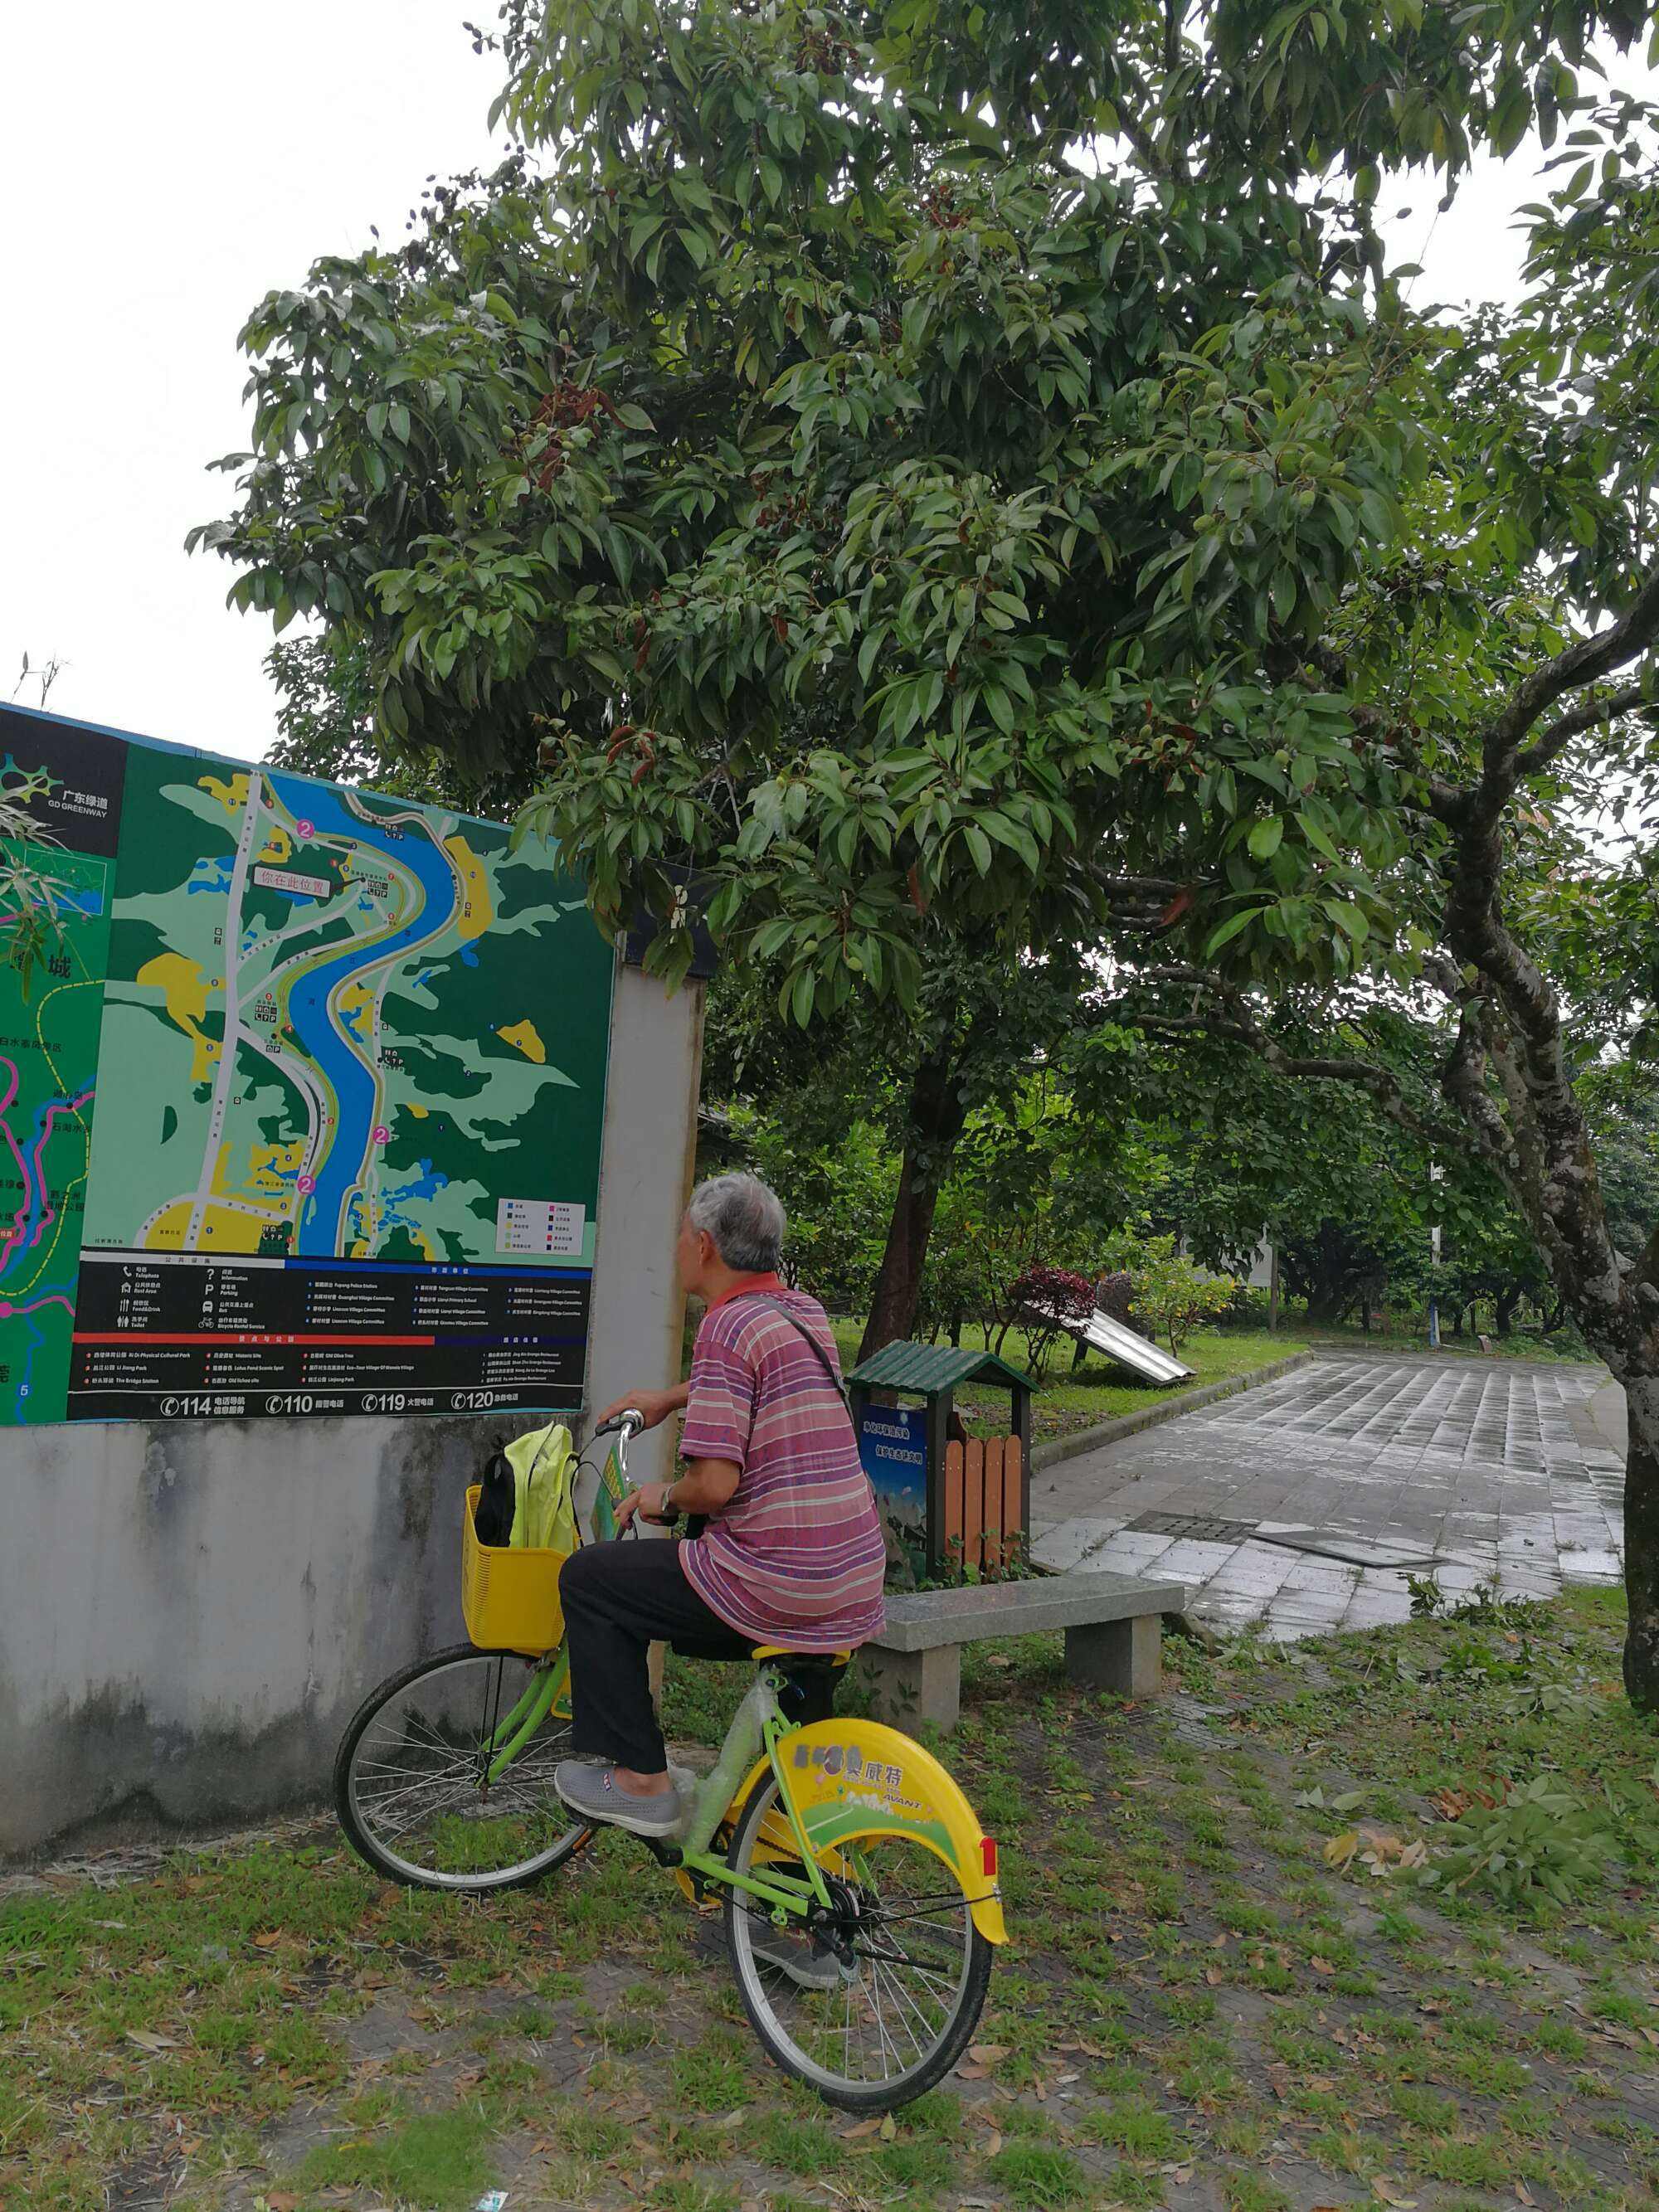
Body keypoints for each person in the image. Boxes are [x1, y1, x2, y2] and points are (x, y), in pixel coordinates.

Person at [553, 1172, 885, 1844]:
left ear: (703, 1245)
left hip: (777, 1582)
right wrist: (671, 1398)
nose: (675, 1246)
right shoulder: (801, 1311)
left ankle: (643, 1783)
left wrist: (660, 1496)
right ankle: (796, 1868)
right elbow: (752, 1371)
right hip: (849, 1580)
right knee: (794, 1746)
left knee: (590, 1584)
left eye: (680, 1234)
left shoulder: (725, 1327)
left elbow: (713, 1486)